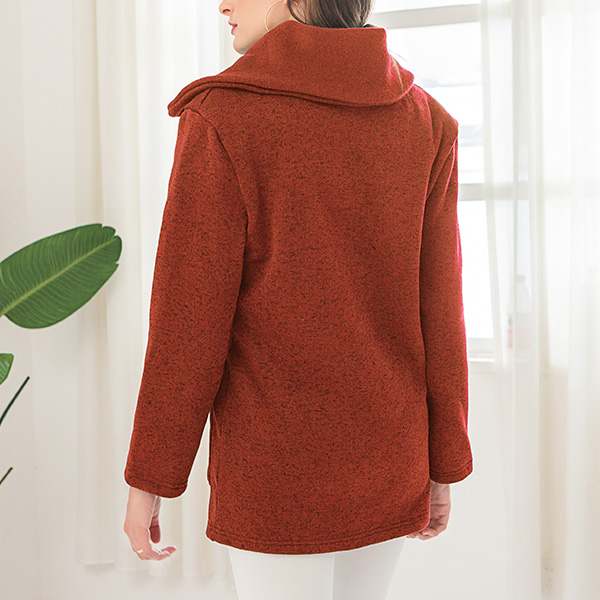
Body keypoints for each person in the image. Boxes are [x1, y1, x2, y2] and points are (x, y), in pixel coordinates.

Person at [123, 0, 474, 598]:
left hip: (275, 470)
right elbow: (442, 312)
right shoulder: (426, 121)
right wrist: (441, 463)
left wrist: (150, 479)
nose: (222, 4)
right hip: (391, 457)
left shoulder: (223, 116)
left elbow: (189, 324)